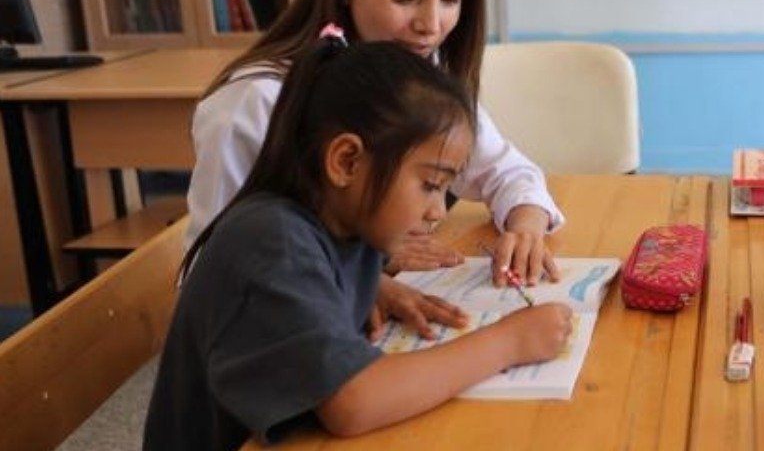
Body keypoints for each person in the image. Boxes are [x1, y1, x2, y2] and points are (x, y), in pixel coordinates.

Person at [145, 40, 573, 450]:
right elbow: (352, 402)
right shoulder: (273, 240)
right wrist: (508, 343)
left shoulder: (348, 225)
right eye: (429, 184)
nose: (437, 211)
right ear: (346, 161)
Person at [186, 0, 563, 301]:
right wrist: (368, 271)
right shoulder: (254, 103)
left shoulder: (418, 75)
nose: (431, 25)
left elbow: (506, 171)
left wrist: (526, 226)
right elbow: (212, 270)